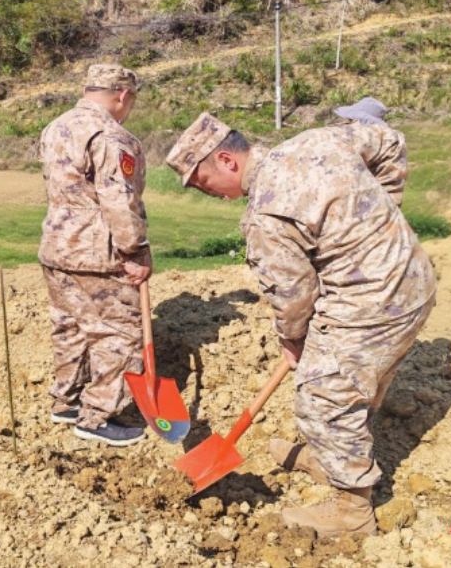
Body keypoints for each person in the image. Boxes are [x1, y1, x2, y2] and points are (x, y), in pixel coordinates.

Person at [165, 109, 436, 536]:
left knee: (322, 397)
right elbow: (390, 141)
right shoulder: (316, 142)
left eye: (203, 183)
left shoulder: (266, 215)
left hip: (370, 303)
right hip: (414, 280)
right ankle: (329, 458)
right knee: (363, 380)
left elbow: (294, 297)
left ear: (226, 161)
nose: (208, 194)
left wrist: (292, 341)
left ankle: (352, 511)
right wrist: (385, 212)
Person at [38, 64, 152, 447]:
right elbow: (119, 200)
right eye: (131, 100)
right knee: (118, 332)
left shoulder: (56, 127)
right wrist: (135, 250)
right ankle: (98, 416)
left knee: (69, 325)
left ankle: (66, 401)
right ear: (122, 94)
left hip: (56, 245)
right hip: (94, 253)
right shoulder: (110, 136)